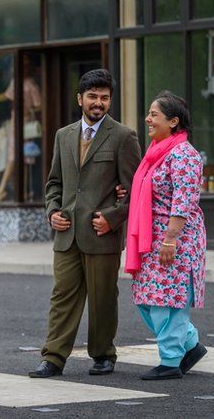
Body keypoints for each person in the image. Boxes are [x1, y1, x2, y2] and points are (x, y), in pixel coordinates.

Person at [30, 68, 141, 379]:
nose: (98, 103)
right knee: (62, 295)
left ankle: (104, 355)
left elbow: (135, 191)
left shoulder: (123, 136)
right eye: (92, 96)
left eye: (104, 98)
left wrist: (113, 217)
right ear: (80, 99)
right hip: (66, 233)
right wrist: (52, 211)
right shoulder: (63, 135)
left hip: (101, 233)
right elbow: (54, 182)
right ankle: (53, 358)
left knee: (104, 297)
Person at [125, 91, 208, 380]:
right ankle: (190, 344)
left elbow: (183, 201)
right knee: (147, 298)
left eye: (154, 115)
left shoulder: (184, 155)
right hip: (152, 238)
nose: (147, 119)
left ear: (173, 122)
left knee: (168, 302)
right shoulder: (156, 152)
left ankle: (171, 361)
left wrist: (170, 239)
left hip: (175, 240)